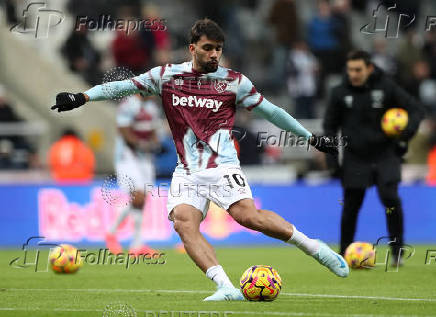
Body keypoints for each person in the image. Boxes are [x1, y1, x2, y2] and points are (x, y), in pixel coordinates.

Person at [51, 18, 349, 301]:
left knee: (249, 217)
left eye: (218, 49)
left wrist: (310, 137)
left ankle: (314, 248)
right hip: (187, 171)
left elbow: (273, 112)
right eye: (208, 48)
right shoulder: (167, 76)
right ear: (192, 48)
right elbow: (122, 86)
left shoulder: (233, 82)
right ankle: (226, 286)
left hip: (222, 167)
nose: (214, 54)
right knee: (183, 223)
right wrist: (82, 97)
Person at [323, 50, 425, 265]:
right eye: (350, 69)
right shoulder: (339, 93)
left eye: (358, 69)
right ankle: (343, 253)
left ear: (369, 68)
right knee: (351, 205)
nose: (354, 74)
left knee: (390, 199)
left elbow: (416, 109)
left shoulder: (386, 87)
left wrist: (404, 135)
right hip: (355, 157)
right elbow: (330, 128)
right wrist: (332, 161)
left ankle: (397, 252)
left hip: (385, 155)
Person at [105, 94, 161, 256]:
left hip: (145, 158)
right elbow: (123, 129)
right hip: (127, 157)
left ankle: (136, 246)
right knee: (138, 196)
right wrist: (140, 144)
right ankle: (112, 231)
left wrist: (155, 143)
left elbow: (153, 130)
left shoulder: (152, 107)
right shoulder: (128, 104)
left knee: (141, 199)